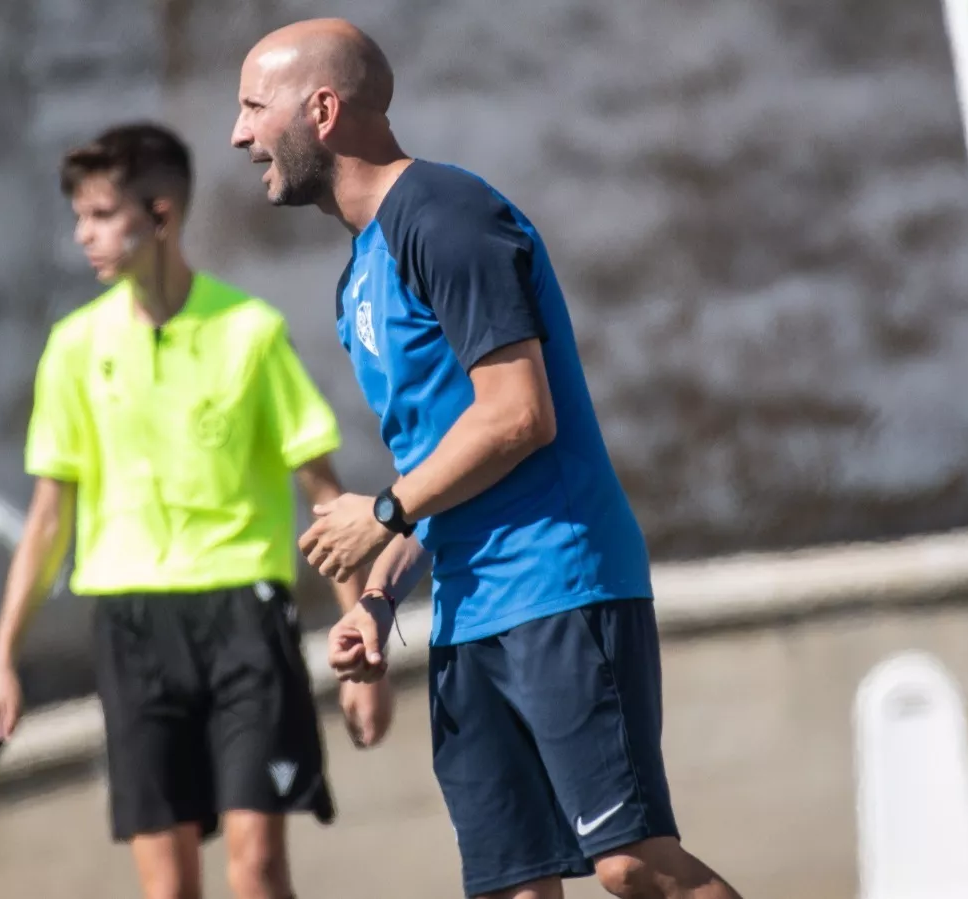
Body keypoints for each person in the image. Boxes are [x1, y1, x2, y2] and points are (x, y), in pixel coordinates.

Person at [229, 20, 745, 899]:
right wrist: (382, 596)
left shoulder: (445, 214)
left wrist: (381, 510)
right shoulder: (359, 273)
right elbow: (443, 469)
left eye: (251, 106)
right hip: (468, 617)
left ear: (321, 109)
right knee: (514, 887)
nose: (239, 135)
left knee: (632, 863)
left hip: (560, 583)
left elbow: (519, 415)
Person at [0, 121, 393, 899]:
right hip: (132, 631)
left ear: (160, 214)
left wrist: (364, 631)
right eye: (80, 217)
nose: (83, 236)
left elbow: (328, 498)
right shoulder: (71, 347)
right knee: (169, 888)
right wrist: (3, 659)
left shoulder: (251, 332)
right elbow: (46, 520)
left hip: (245, 621)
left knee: (258, 870)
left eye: (101, 215)